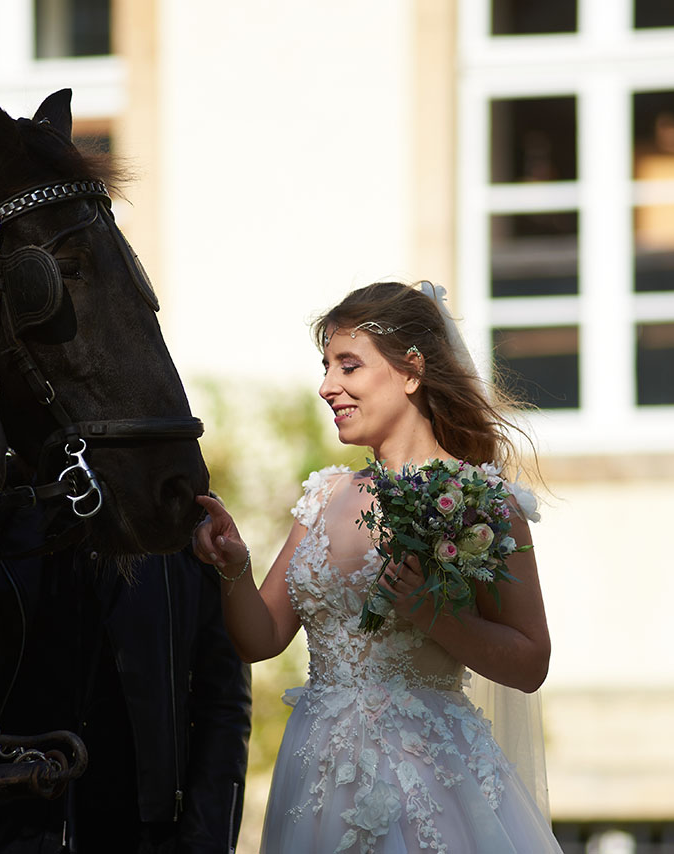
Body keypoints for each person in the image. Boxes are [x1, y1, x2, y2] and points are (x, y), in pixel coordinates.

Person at [193, 281, 563, 853]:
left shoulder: (480, 501)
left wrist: (432, 614)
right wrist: (234, 567)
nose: (326, 387)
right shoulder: (323, 497)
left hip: (427, 780)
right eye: (326, 368)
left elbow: (530, 661)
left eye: (348, 366)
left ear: (411, 370)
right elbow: (260, 638)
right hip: (318, 776)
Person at [0, 496, 252, 854]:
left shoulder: (185, 523)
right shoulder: (0, 509)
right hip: (1, 831)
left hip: (141, 836)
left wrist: (206, 843)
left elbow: (223, 706)